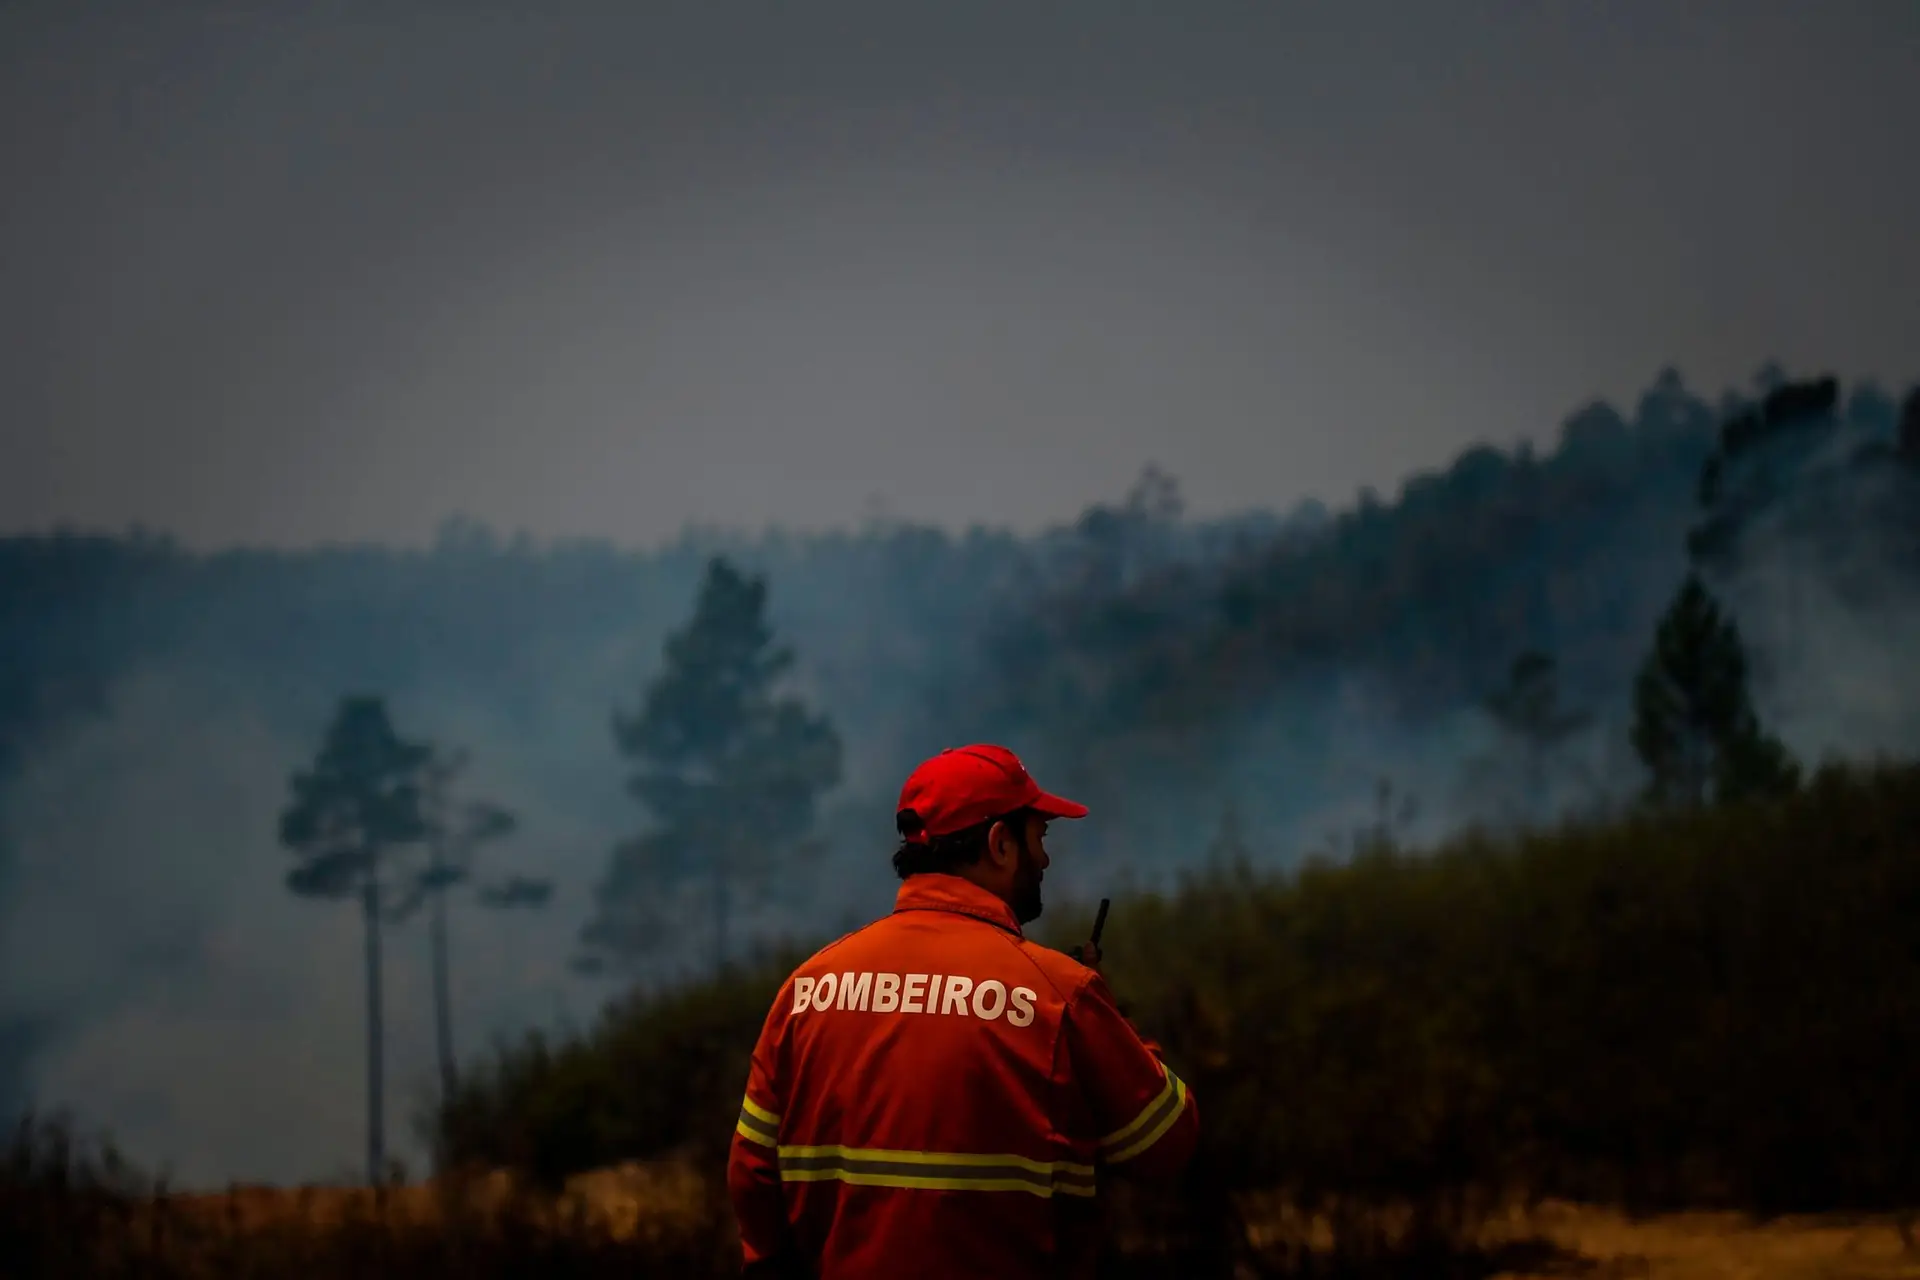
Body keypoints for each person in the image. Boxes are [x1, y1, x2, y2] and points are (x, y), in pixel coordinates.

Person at [727, 744, 1199, 1279]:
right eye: (1039, 838)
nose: (1044, 860)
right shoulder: (1060, 994)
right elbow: (1167, 1143)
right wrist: (1114, 1025)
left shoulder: (806, 989)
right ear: (1001, 844)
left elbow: (752, 1174)